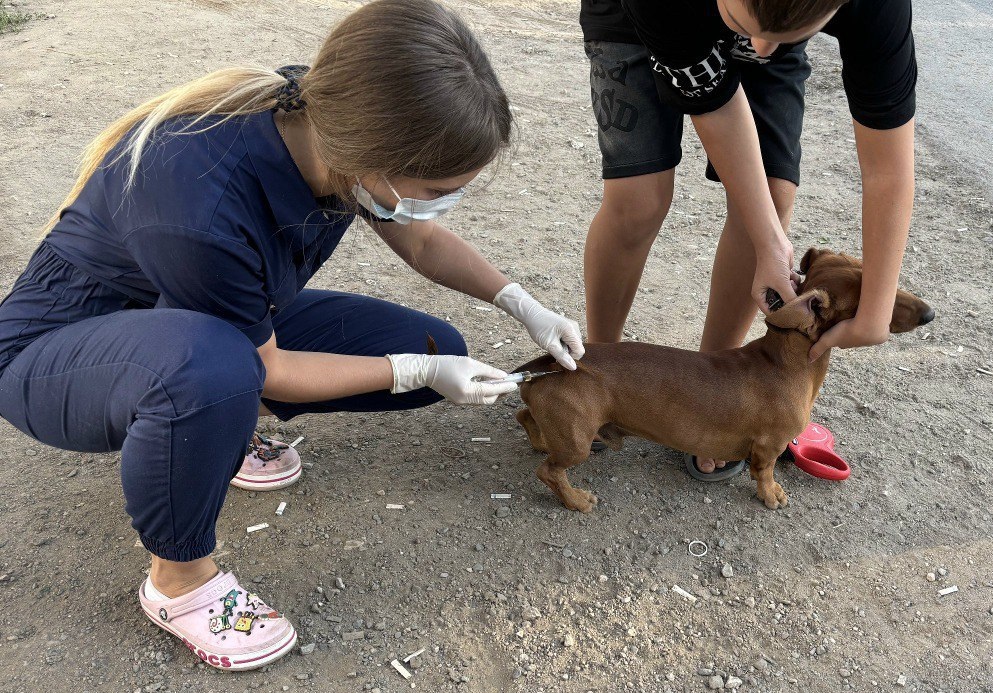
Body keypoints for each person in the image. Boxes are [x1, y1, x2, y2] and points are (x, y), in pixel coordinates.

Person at [0, 0, 583, 670]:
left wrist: (521, 304)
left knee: (431, 345)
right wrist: (412, 375)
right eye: (437, 187)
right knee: (217, 371)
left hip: (188, 315)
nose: (442, 202)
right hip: (56, 353)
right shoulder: (203, 202)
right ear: (373, 161)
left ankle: (211, 430)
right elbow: (269, 367)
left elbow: (418, 237)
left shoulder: (329, 122)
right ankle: (179, 578)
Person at [580, 0, 916, 478]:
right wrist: (769, 243)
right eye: (745, 27)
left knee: (773, 200)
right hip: (638, 21)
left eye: (790, 33)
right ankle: (600, 373)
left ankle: (712, 391)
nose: (757, 50)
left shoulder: (877, 9)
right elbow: (714, 105)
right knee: (640, 199)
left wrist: (877, 310)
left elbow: (888, 170)